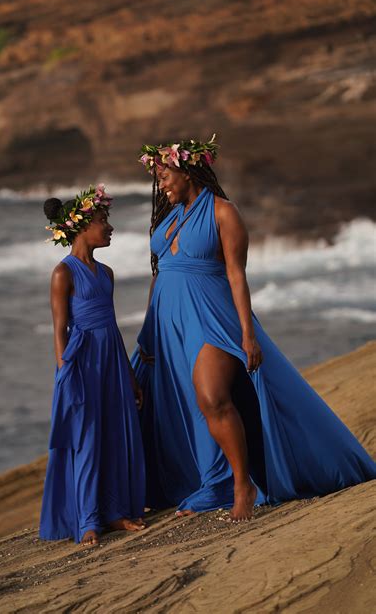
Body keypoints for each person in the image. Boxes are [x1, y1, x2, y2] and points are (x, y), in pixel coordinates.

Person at [133, 137, 375, 522]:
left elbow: (236, 276)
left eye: (164, 176)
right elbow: (158, 275)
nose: (160, 184)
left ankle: (243, 484)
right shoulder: (168, 217)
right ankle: (208, 481)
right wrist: (148, 333)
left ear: (188, 169)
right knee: (175, 408)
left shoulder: (223, 212)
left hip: (213, 319)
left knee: (212, 397)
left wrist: (247, 333)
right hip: (169, 327)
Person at [39, 184, 146, 546]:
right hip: (80, 364)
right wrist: (65, 374)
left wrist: (129, 375)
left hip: (111, 361)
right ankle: (87, 519)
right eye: (103, 220)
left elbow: (113, 328)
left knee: (115, 434)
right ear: (82, 226)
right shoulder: (62, 273)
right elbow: (59, 330)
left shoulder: (107, 274)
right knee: (86, 440)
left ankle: (114, 513)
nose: (109, 227)